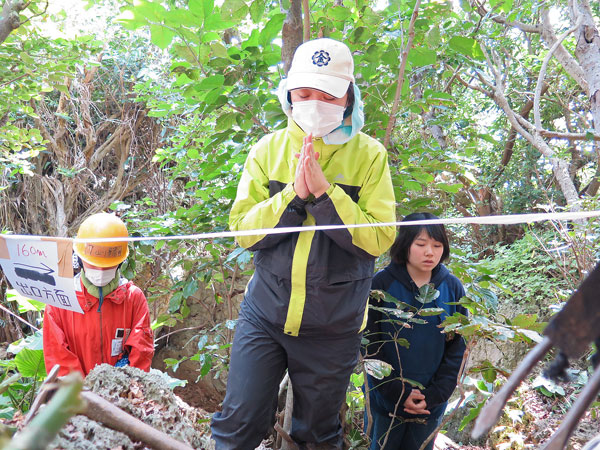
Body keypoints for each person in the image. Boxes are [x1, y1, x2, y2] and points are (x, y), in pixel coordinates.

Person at [210, 38, 396, 449]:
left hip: (333, 326)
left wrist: (328, 196)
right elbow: (244, 230)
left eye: (328, 93)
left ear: (348, 95)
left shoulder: (369, 156)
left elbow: (379, 239)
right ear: (289, 93)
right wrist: (293, 195)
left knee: (317, 435)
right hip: (266, 314)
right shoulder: (268, 150)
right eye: (305, 92)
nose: (315, 102)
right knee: (237, 423)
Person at [363, 212, 468, 450]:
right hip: (385, 398)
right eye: (421, 244)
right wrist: (396, 392)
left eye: (437, 245)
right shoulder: (381, 285)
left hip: (431, 401)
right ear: (404, 244)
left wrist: (434, 395)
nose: (429, 252)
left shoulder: (453, 288)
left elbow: (457, 349)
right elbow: (370, 343)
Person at [43, 212, 154, 376]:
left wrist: (124, 385)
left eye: (107, 266)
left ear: (120, 263)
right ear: (79, 259)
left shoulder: (133, 298)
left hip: (121, 395)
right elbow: (58, 359)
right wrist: (84, 394)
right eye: (94, 265)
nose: (101, 272)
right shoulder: (60, 299)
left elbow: (141, 350)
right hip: (77, 397)